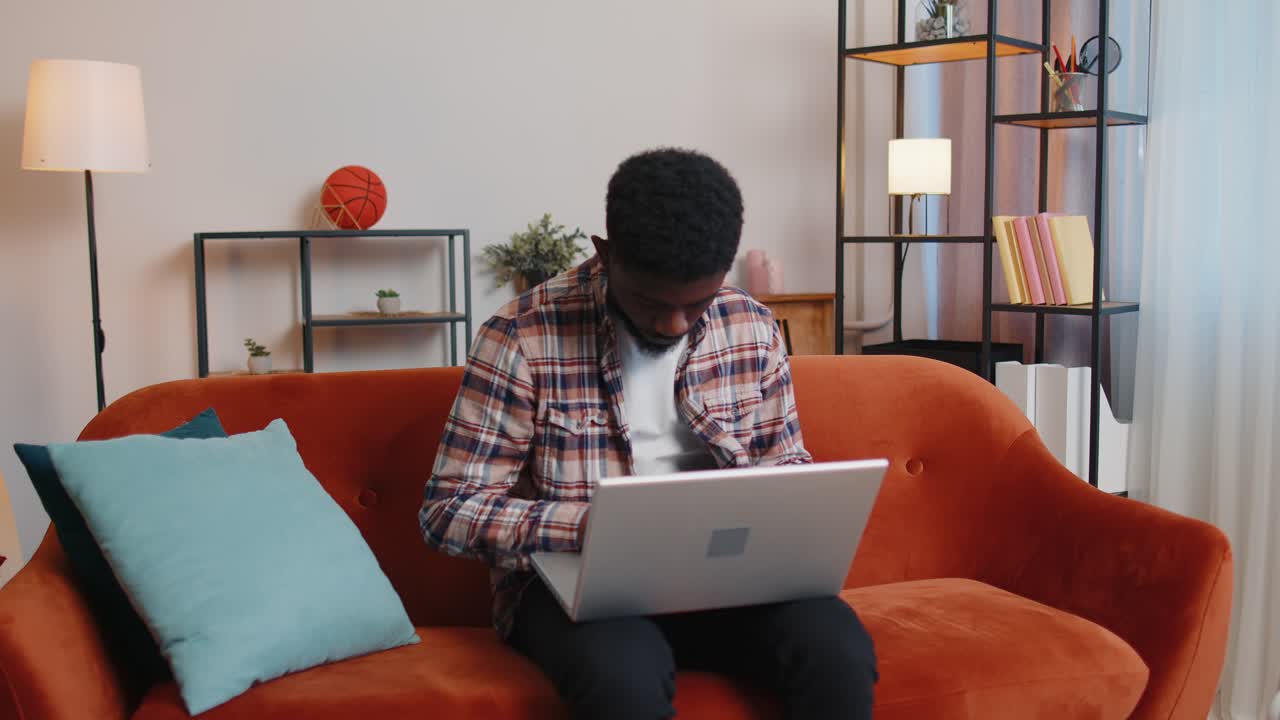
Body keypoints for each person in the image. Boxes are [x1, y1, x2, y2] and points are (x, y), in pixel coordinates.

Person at [420, 147, 877, 719]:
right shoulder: (522, 336)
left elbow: (784, 462)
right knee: (622, 677)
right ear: (606, 254)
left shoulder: (751, 326)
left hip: (728, 581)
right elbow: (449, 509)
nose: (674, 324)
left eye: (698, 302)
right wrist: (599, 526)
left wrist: (790, 513)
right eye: (651, 301)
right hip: (581, 590)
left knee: (836, 648)